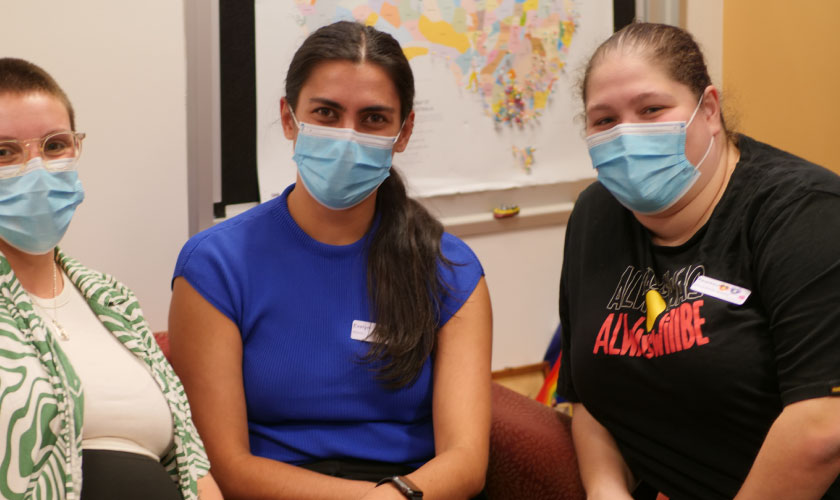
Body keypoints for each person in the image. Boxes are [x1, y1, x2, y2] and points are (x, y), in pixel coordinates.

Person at [0, 58, 220, 500]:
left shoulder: (113, 299)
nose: (37, 169)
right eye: (3, 152)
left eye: (55, 145)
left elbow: (193, 469)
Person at [168, 21, 492, 500]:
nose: (347, 136)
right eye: (326, 113)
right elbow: (227, 467)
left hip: (409, 492)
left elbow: (465, 462)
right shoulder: (215, 265)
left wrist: (390, 497)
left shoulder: (451, 269)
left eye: (373, 119)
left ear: (403, 132)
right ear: (288, 118)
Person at [558, 22, 840, 500]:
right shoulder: (595, 214)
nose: (626, 135)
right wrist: (606, 491)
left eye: (651, 109)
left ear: (708, 110)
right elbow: (587, 397)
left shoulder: (806, 212)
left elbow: (823, 428)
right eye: (604, 120)